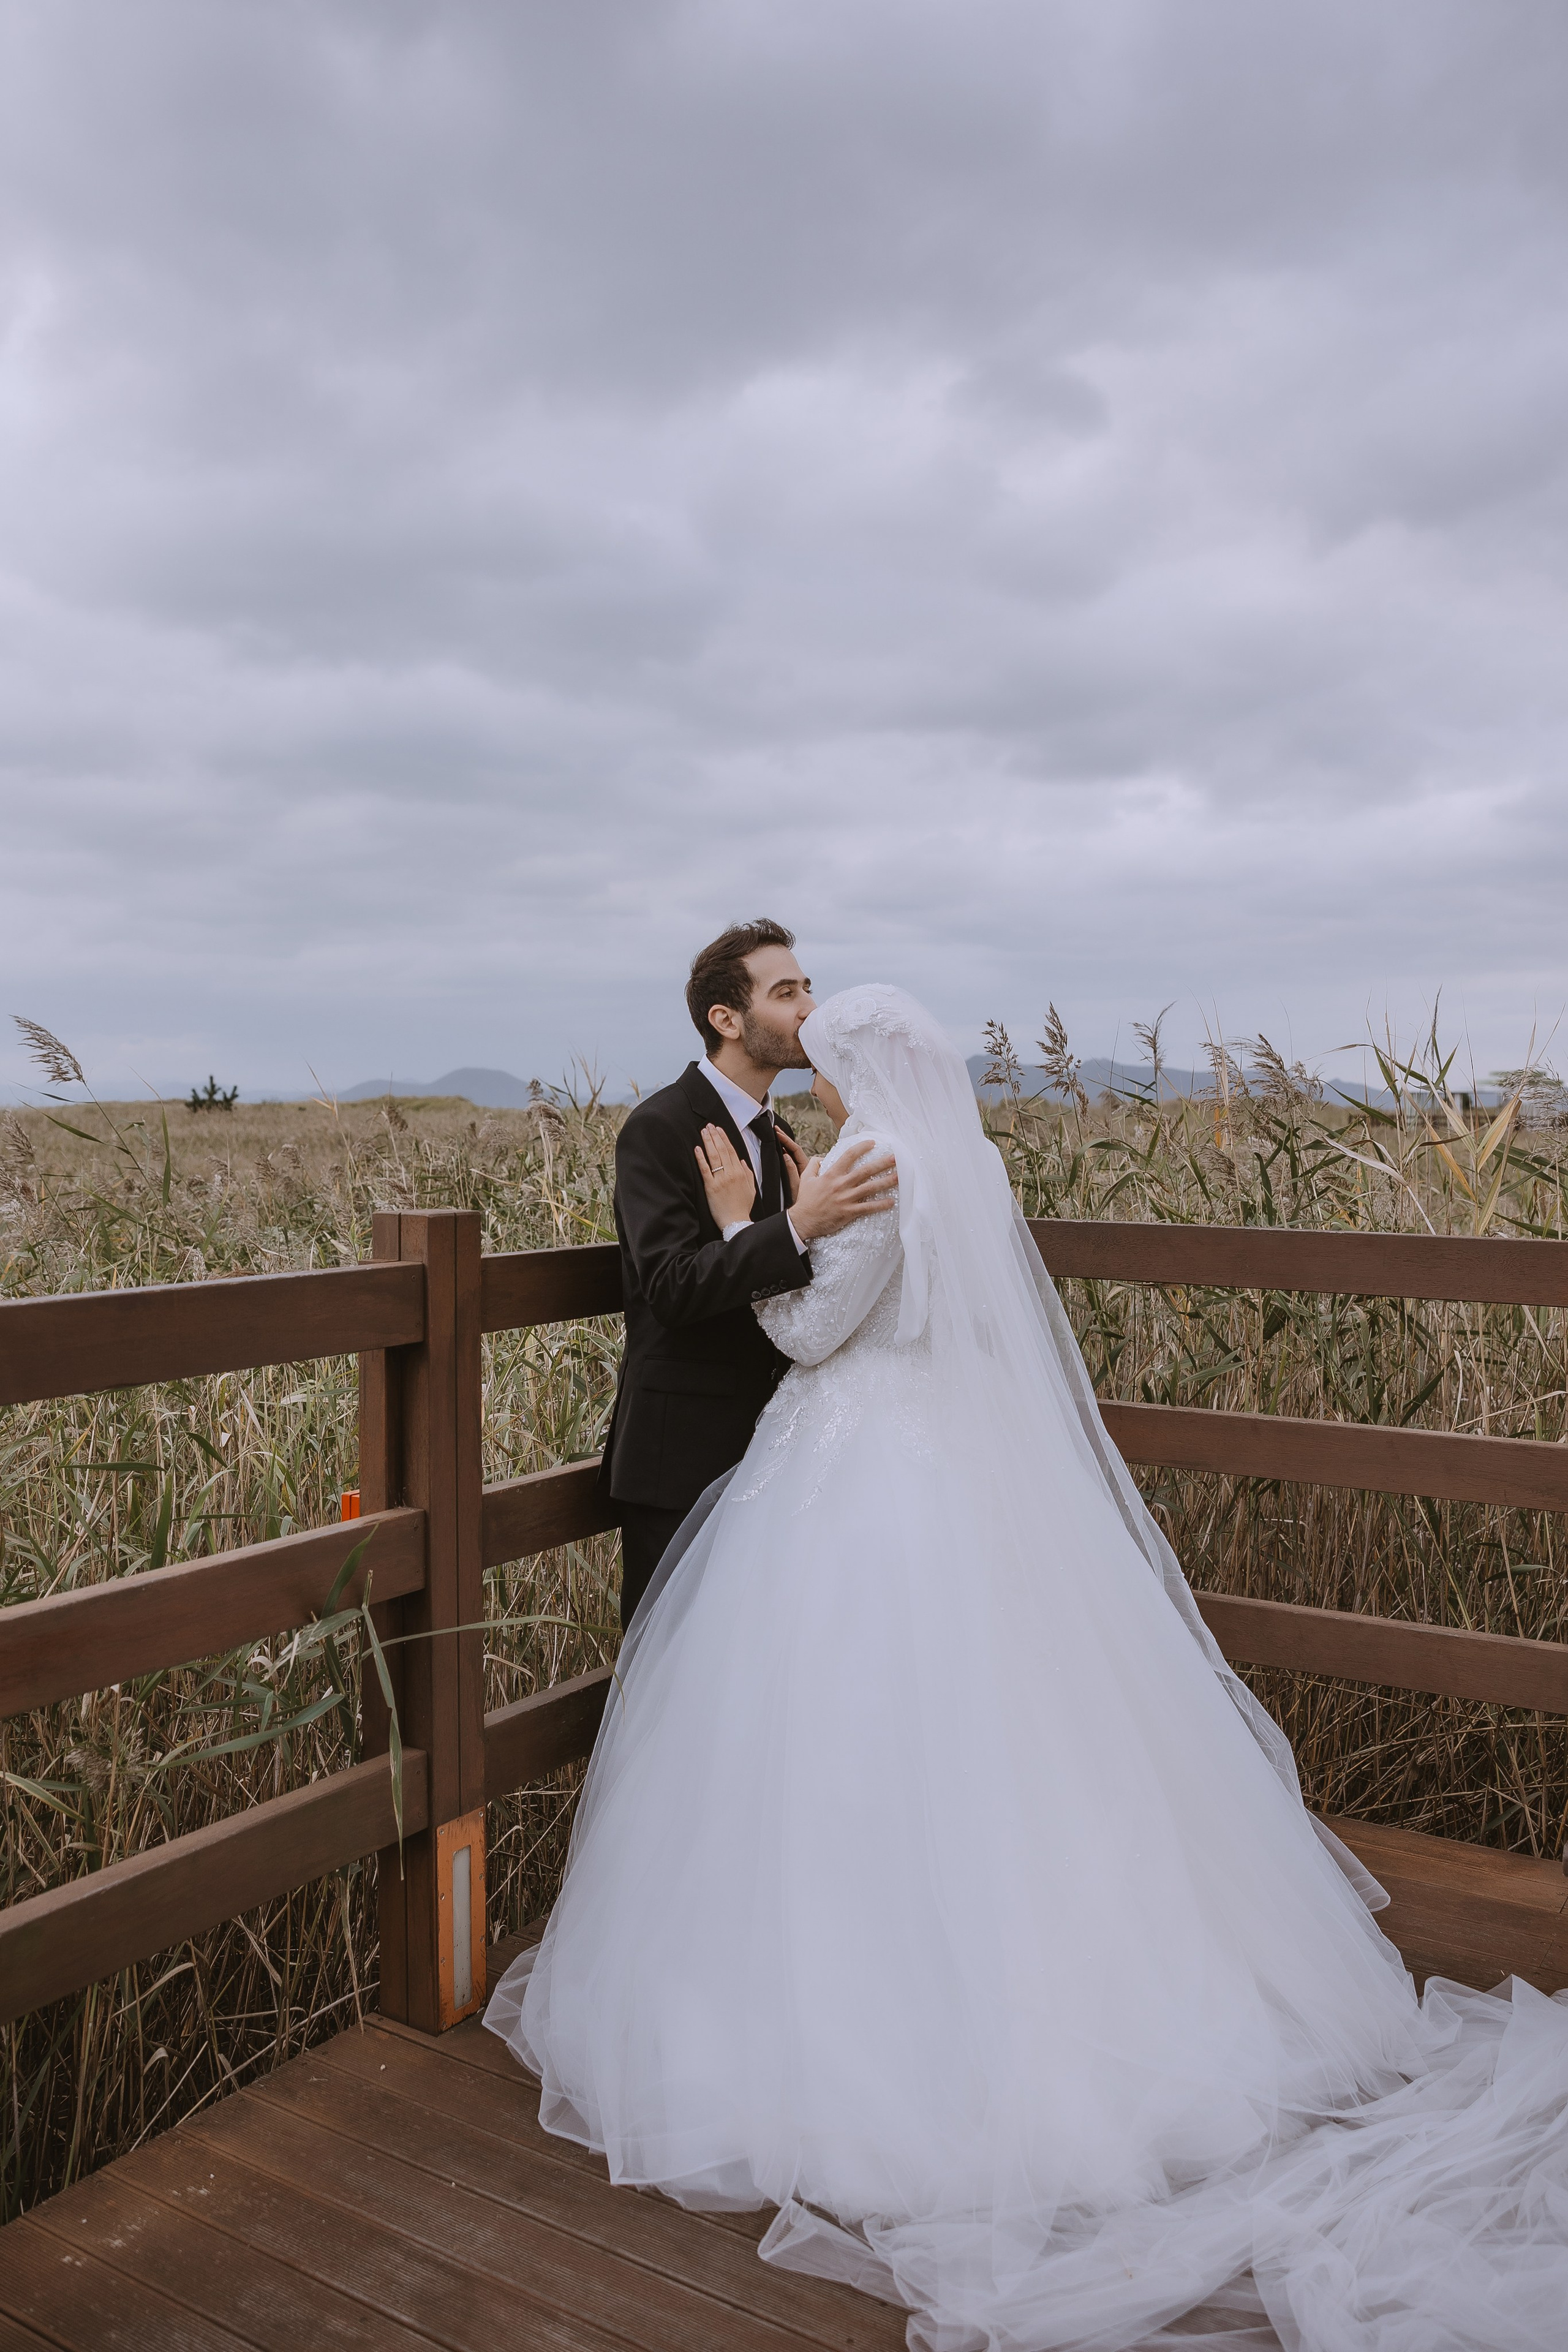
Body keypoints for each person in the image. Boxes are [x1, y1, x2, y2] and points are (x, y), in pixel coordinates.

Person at [492, 984, 1568, 2351]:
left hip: (856, 1470)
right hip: (958, 1470)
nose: (814, 1076)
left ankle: (897, 2042)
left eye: (827, 1059)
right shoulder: (967, 1160)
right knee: (1019, 1746)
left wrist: (742, 1225)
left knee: (843, 1747)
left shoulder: (871, 1167)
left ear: (864, 1074)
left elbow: (808, 1334)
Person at [598, 919, 897, 1624]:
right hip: (683, 1450)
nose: (809, 1009)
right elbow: (670, 1288)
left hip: (775, 1444)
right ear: (725, 1018)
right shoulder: (661, 1128)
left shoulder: (773, 1129)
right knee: (667, 1661)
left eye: (808, 988)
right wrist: (798, 1226)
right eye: (786, 992)